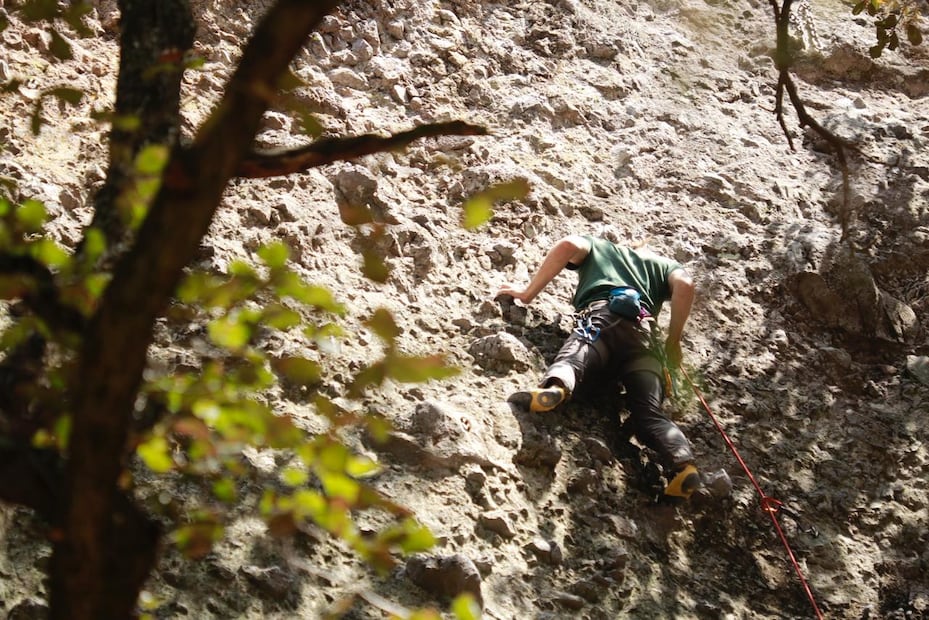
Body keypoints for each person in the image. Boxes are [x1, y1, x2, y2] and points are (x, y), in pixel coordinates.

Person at [497, 234, 701, 501]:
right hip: (644, 342)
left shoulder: (600, 247)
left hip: (604, 319)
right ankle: (683, 466)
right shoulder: (664, 266)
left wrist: (527, 293)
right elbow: (685, 286)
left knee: (574, 358)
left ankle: (556, 388)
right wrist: (673, 343)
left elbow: (567, 244)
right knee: (648, 412)